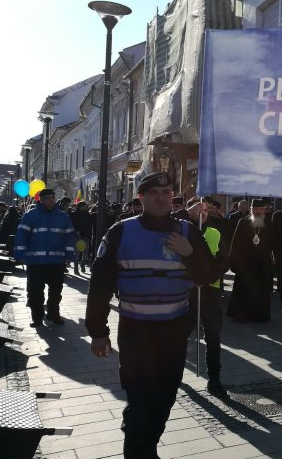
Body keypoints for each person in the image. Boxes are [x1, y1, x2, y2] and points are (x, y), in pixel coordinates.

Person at [85, 172, 215, 459]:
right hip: (135, 331)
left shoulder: (188, 232)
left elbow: (210, 274)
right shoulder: (121, 231)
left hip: (174, 331)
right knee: (140, 399)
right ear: (141, 198)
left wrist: (191, 252)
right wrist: (97, 330)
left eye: (166, 192)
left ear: (173, 197)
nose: (161, 197)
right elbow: (100, 283)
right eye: (154, 192)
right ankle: (138, 449)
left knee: (165, 397)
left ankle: (145, 444)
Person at [186, 199, 230, 398]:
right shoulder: (182, 230)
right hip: (187, 293)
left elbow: (223, 263)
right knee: (179, 335)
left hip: (209, 292)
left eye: (205, 210)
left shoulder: (214, 233)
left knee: (213, 336)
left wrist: (208, 278)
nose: (202, 213)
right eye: (198, 210)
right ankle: (173, 371)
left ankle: (214, 379)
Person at [13, 189, 75, 327]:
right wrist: (19, 254)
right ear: (40, 199)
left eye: (53, 197)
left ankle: (54, 315)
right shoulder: (30, 215)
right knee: (35, 293)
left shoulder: (63, 216)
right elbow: (21, 234)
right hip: (35, 262)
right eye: (47, 198)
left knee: (55, 292)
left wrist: (70, 254)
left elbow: (69, 236)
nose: (51, 200)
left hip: (56, 261)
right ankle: (37, 318)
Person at [227, 199, 275, 322]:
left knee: (261, 291)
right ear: (251, 209)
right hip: (245, 263)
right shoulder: (243, 222)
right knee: (244, 290)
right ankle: (242, 315)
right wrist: (234, 263)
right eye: (255, 209)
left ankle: (260, 316)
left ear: (264, 210)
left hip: (262, 263)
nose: (257, 212)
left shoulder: (268, 223)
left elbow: (274, 243)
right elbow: (235, 243)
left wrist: (274, 260)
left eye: (260, 209)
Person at [70, 201, 93, 274]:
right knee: (76, 253)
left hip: (86, 235)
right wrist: (76, 231)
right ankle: (76, 268)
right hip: (77, 236)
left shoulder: (87, 214)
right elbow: (71, 224)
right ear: (80, 206)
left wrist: (90, 235)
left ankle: (82, 264)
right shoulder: (73, 214)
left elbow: (90, 224)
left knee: (86, 253)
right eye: (84, 206)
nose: (86, 207)